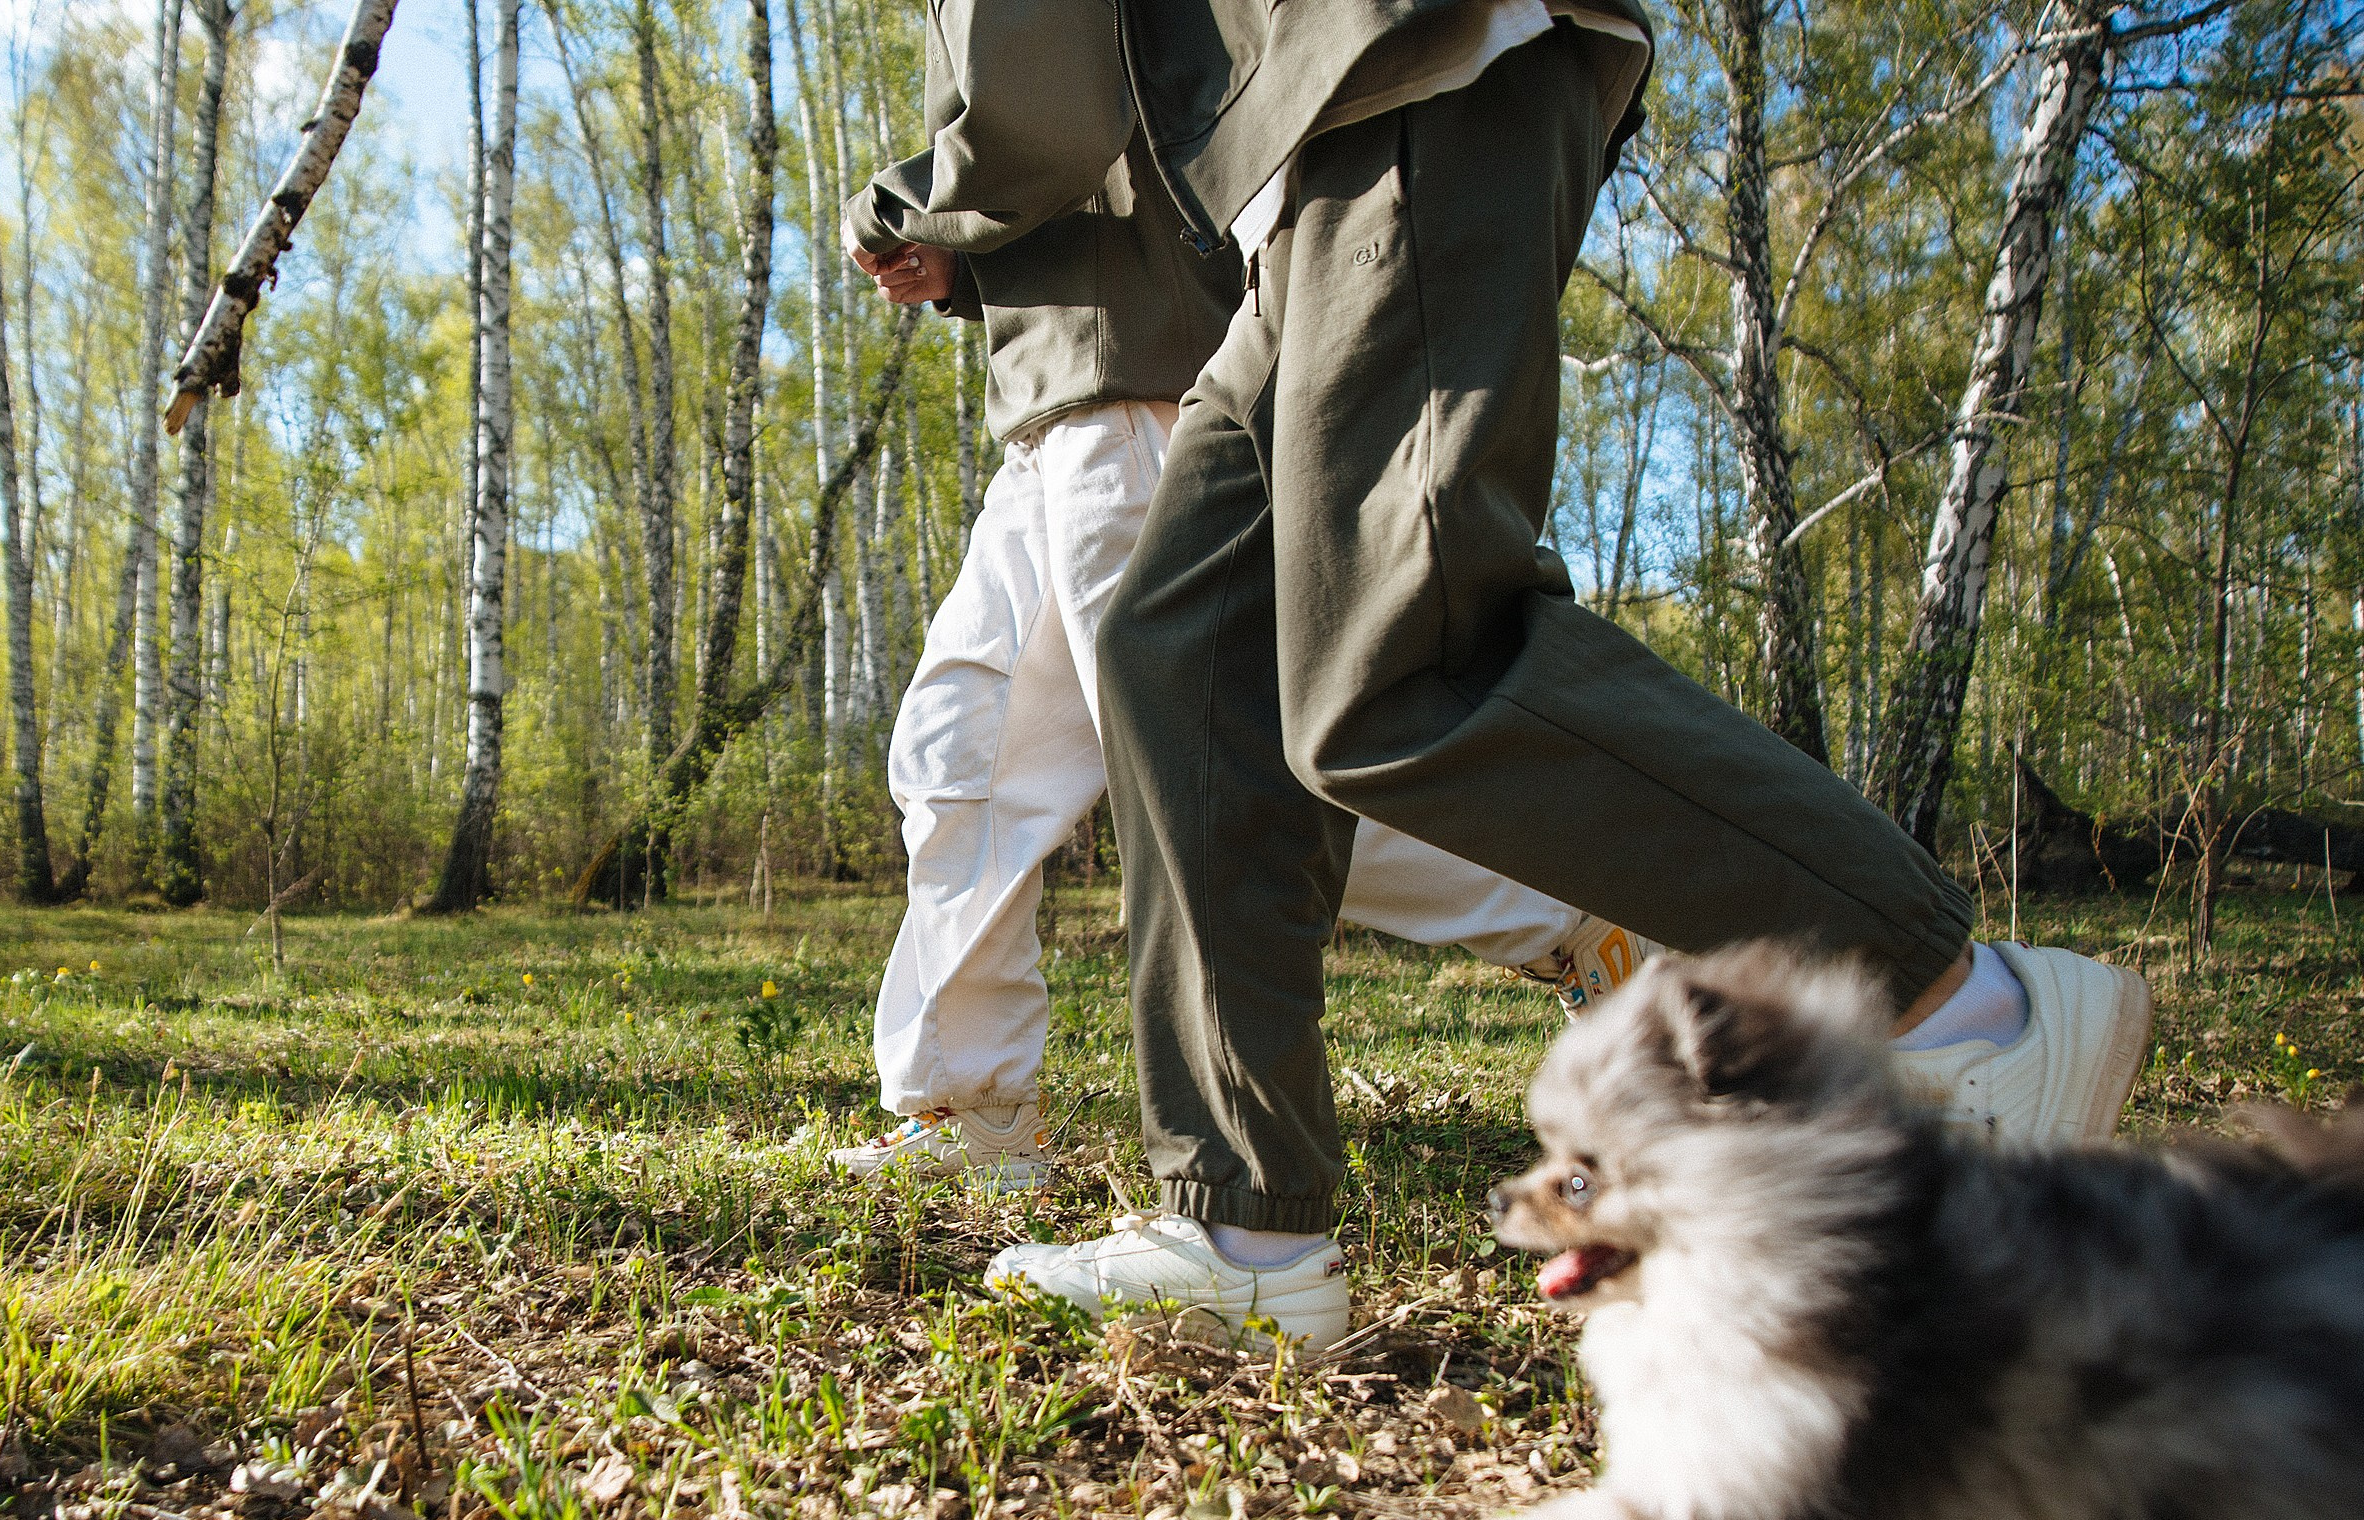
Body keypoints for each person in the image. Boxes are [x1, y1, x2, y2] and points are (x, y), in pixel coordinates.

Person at [971, 0, 2153, 1349]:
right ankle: (1243, 1225)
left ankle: (1962, 1003)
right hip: (1290, 166)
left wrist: (945, 203)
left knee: (1400, 650)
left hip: (1407, 55)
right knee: (1182, 654)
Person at [828, 2, 1651, 1214]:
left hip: (1146, 379)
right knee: (963, 747)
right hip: (1061, 383)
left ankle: (1581, 914)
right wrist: (966, 259)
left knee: (1217, 776)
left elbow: (1047, 119)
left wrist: (904, 208)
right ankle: (974, 1108)